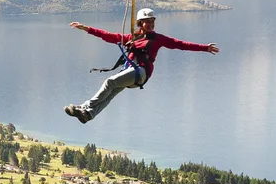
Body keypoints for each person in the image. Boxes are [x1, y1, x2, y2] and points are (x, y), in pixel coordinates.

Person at [64, 8, 219, 123]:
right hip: (131, 72)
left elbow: (181, 44)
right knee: (110, 93)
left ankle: (84, 107)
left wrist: (204, 48)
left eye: (152, 21)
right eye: (147, 22)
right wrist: (87, 29)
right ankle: (89, 114)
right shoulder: (132, 37)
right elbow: (109, 36)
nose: (151, 24)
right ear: (141, 23)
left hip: (141, 72)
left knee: (110, 82)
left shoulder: (158, 39)